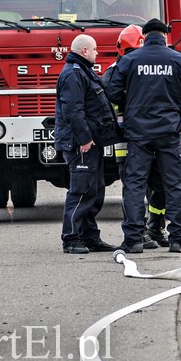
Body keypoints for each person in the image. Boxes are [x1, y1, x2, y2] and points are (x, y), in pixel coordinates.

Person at [106, 19, 181, 253]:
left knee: (135, 185)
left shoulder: (130, 60)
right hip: (169, 133)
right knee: (173, 184)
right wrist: (175, 100)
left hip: (138, 134)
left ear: (145, 36)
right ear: (164, 36)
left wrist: (133, 103)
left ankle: (134, 240)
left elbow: (112, 91)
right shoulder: (178, 59)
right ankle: (177, 239)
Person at [54, 34, 121, 254]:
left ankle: (90, 237)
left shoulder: (83, 71)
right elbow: (73, 111)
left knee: (94, 191)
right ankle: (71, 238)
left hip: (92, 143)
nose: (97, 53)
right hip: (80, 144)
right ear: (84, 51)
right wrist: (83, 139)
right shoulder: (74, 74)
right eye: (94, 49)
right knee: (81, 191)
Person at [102, 25, 164, 249]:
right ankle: (144, 232)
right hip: (130, 138)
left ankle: (154, 228)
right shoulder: (118, 69)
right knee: (140, 187)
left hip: (141, 135)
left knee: (147, 186)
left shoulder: (121, 67)